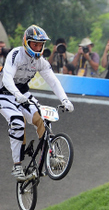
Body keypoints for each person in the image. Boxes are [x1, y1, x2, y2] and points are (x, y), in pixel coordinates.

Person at [0, 25, 74, 180]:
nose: (38, 47)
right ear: (26, 42)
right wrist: (16, 94)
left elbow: (53, 82)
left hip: (23, 94)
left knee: (44, 118)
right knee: (18, 122)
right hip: (5, 94)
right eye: (35, 44)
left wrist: (65, 99)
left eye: (41, 45)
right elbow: (7, 79)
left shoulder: (41, 61)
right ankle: (17, 166)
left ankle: (50, 157)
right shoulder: (15, 55)